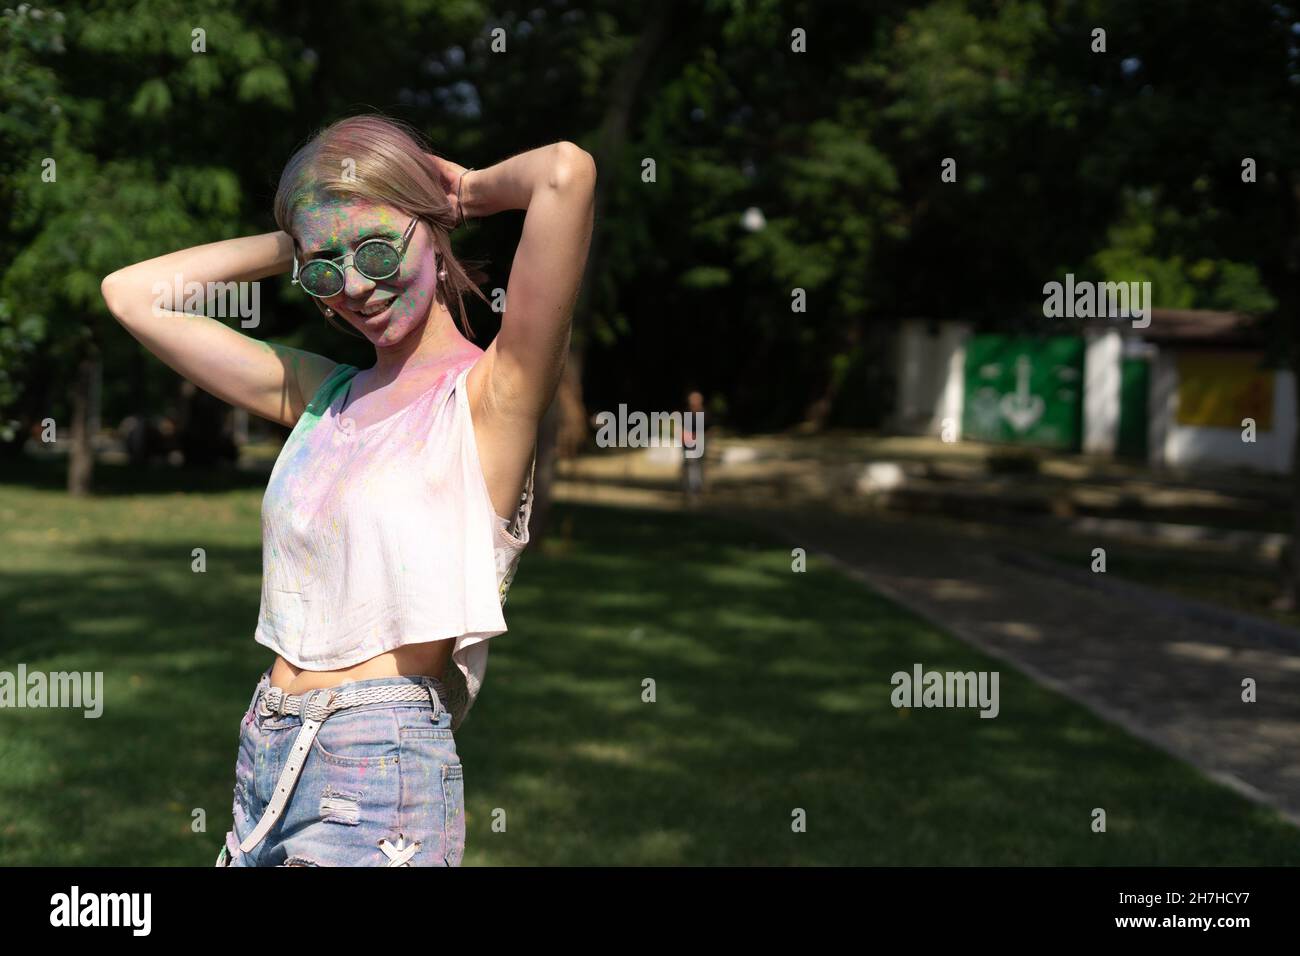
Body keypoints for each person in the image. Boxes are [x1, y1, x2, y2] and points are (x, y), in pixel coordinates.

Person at [100, 114, 595, 866]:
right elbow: (132, 295)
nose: (354, 286)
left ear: (432, 231)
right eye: (326, 270)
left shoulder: (493, 395)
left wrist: (461, 191)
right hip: (265, 747)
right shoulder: (322, 394)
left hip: (379, 766)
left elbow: (565, 173)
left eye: (374, 248)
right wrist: (304, 233)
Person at [681, 389, 708, 504]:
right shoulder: (687, 413)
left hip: (700, 444)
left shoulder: (704, 414)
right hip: (688, 444)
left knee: (698, 466)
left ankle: (698, 488)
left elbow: (708, 430)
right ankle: (690, 489)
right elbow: (682, 429)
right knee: (689, 465)